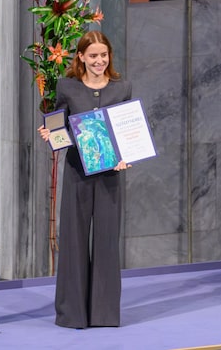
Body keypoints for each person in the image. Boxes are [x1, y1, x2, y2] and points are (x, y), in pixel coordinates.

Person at [38, 31, 132, 328]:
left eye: (103, 55)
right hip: (77, 173)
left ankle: (104, 314)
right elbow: (59, 125)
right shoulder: (67, 87)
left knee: (106, 242)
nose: (99, 61)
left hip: (109, 176)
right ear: (80, 57)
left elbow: (127, 129)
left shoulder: (122, 87)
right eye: (92, 55)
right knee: (73, 241)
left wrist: (126, 154)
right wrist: (50, 134)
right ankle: (72, 314)